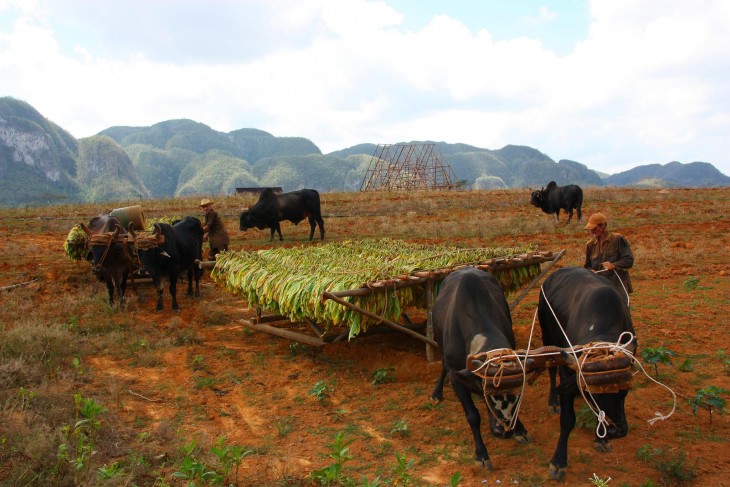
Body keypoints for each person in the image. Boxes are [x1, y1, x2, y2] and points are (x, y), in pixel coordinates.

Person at [584, 212, 634, 296]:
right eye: (591, 229)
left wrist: (613, 265)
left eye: (594, 229)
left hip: (617, 286)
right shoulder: (590, 245)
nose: (592, 232)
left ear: (603, 225)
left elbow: (629, 260)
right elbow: (587, 266)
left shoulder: (618, 239)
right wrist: (590, 271)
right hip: (598, 287)